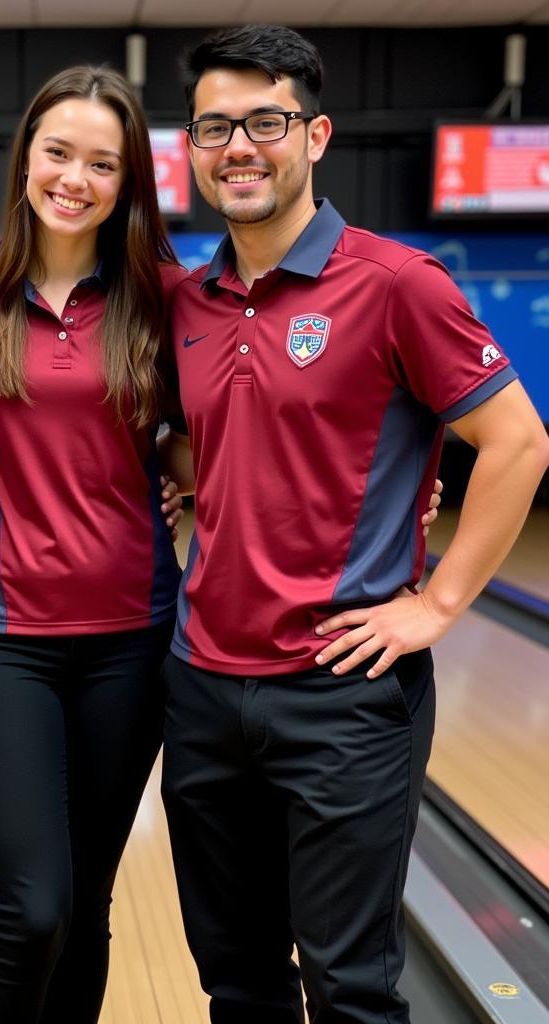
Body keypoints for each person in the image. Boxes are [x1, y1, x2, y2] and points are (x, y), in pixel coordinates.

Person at [158, 25, 549, 1023]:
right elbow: (208, 436)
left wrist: (438, 601)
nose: (237, 145)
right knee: (235, 978)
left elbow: (515, 443)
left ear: (316, 134)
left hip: (340, 692)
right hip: (203, 685)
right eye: (214, 126)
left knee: (349, 986)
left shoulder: (395, 282)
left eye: (264, 121)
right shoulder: (191, 301)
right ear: (192, 148)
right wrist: (182, 478)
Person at [0, 65, 187, 1023]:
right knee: (31, 909)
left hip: (132, 639)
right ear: (25, 161)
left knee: (87, 907)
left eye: (102, 161)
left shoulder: (168, 298)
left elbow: (261, 424)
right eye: (58, 153)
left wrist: (396, 494)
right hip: (3, 640)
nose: (75, 177)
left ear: (128, 180)